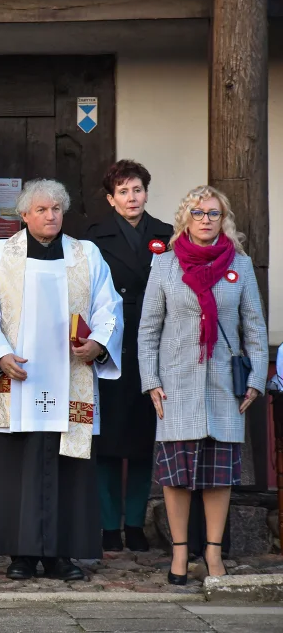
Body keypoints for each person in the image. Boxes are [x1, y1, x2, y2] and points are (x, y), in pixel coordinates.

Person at [0, 179, 124, 582]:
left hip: (70, 377)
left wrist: (99, 343)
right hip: (17, 379)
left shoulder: (85, 255)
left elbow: (110, 306)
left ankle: (63, 554)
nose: (50, 215)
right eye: (41, 209)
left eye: (56, 208)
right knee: (16, 465)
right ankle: (20, 554)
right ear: (23, 215)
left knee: (69, 468)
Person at [138, 185, 267, 584]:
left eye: (213, 213)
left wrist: (256, 379)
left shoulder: (240, 265)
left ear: (223, 218)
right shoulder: (165, 264)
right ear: (185, 218)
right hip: (175, 383)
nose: (206, 220)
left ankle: (213, 553)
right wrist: (151, 381)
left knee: (218, 474)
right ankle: (179, 554)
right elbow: (148, 330)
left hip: (224, 385)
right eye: (198, 213)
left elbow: (255, 330)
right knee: (176, 475)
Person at [85, 161, 173, 553]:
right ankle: (108, 525)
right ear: (111, 198)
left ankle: (135, 524)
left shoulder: (168, 235)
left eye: (136, 189)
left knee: (142, 440)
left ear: (146, 193)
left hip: (155, 344)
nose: (131, 197)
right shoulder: (93, 238)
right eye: (123, 191)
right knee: (108, 440)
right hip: (111, 343)